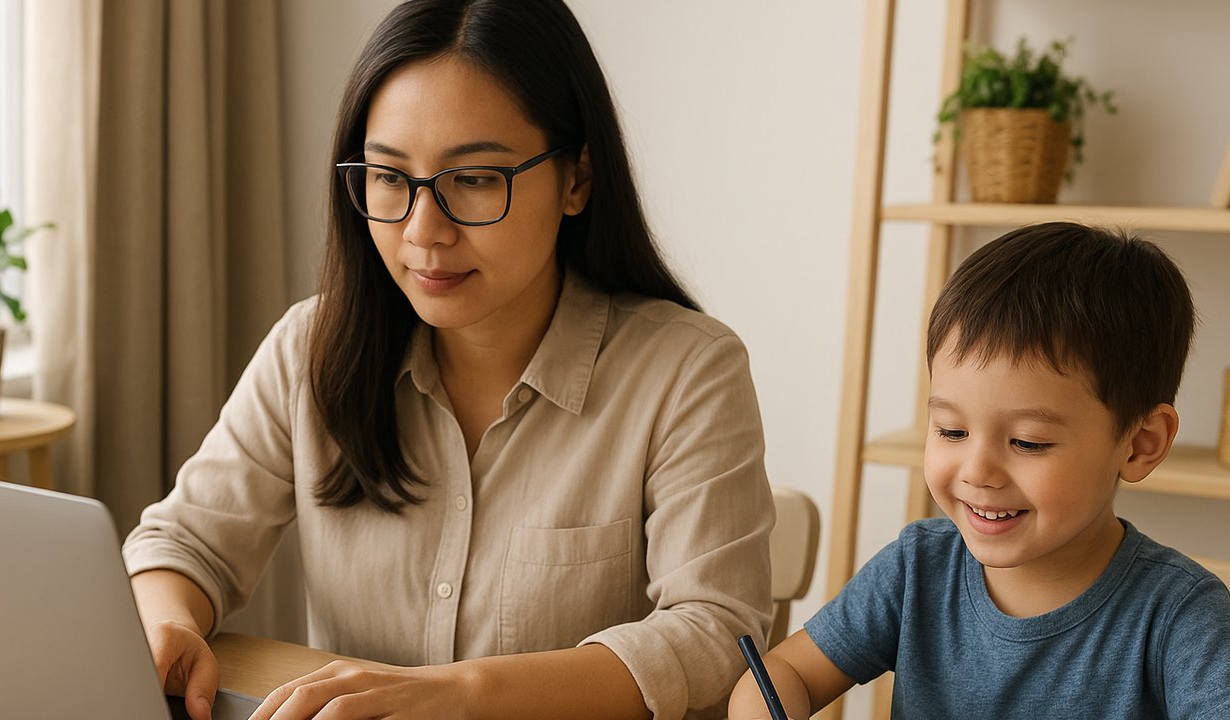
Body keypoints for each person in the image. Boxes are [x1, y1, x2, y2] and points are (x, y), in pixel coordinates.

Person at [122, 1, 775, 719]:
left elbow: (716, 631)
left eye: (473, 180)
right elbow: (181, 543)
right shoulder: (311, 349)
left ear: (576, 180)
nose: (423, 232)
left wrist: (462, 695)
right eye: (389, 179)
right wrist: (169, 623)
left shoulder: (687, 371)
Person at [729, 222, 1230, 719]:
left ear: (1140, 444)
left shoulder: (1185, 617)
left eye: (1027, 442)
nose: (978, 471)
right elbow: (780, 677)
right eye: (950, 431)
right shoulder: (916, 570)